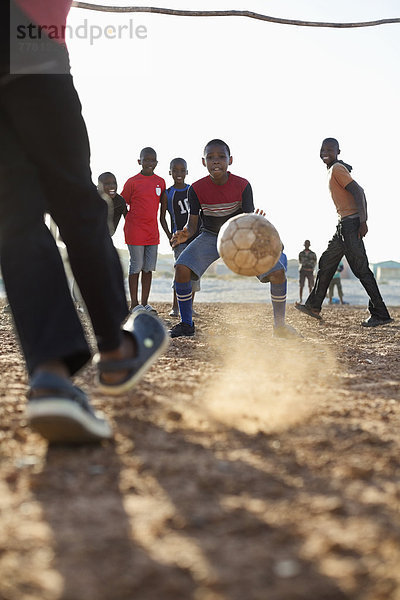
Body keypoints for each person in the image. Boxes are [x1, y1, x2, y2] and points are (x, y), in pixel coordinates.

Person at [0, 0, 168, 444]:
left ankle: (51, 379)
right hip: (27, 36)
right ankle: (116, 349)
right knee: (76, 199)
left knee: (15, 218)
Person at [169, 139, 299, 339]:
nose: (216, 161)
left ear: (230, 160)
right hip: (211, 236)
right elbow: (193, 225)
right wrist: (185, 233)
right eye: (210, 157)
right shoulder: (195, 188)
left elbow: (249, 220)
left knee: (278, 272)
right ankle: (187, 324)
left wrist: (269, 238)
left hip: (240, 237)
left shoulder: (243, 185)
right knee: (181, 268)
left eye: (221, 156)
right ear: (203, 162)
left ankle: (280, 327)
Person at [296, 138, 393, 327]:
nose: (325, 152)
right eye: (323, 149)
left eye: (330, 149)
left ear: (338, 151)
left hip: (350, 225)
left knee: (361, 269)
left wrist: (363, 221)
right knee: (326, 263)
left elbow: (359, 192)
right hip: (342, 226)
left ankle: (380, 313)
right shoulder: (336, 169)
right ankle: (314, 306)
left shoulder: (337, 169)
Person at [121, 148, 170, 315]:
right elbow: (122, 203)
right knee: (136, 266)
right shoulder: (132, 182)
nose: (149, 163)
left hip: (152, 232)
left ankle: (144, 303)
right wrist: (130, 219)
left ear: (156, 162)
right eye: (146, 160)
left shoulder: (161, 182)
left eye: (152, 160)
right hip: (134, 231)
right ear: (139, 161)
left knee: (148, 269)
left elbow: (162, 207)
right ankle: (134, 304)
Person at [165, 157, 200, 317]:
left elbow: (199, 213)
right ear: (170, 172)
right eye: (175, 170)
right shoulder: (168, 193)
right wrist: (169, 236)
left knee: (193, 272)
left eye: (182, 170)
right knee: (180, 271)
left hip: (195, 238)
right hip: (179, 238)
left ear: (187, 172)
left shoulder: (192, 190)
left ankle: (189, 307)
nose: (179, 173)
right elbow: (162, 217)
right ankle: (175, 307)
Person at [98, 171, 127, 236]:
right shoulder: (90, 199)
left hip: (106, 238)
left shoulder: (120, 202)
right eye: (107, 183)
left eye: (114, 183)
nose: (112, 186)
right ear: (99, 186)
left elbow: (129, 220)